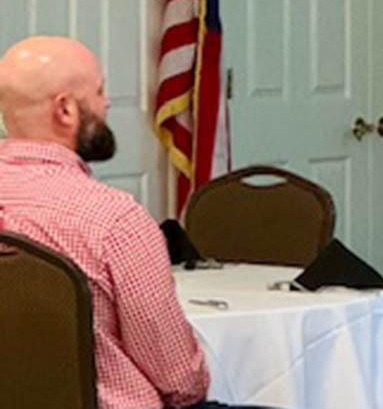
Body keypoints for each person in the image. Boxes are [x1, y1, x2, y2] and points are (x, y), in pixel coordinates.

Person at [0, 36, 276, 409]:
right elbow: (179, 380)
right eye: (99, 91)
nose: (107, 102)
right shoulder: (114, 221)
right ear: (65, 110)